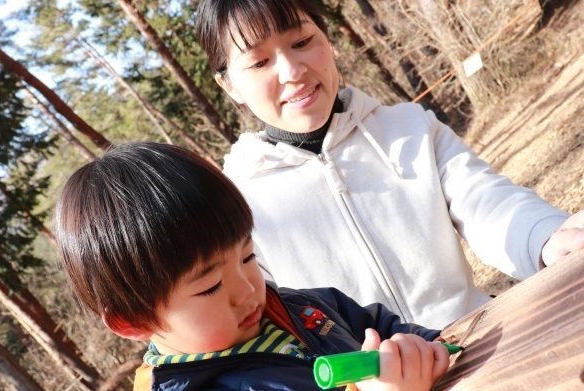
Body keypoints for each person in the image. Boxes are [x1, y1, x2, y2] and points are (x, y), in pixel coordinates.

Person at [194, 0, 584, 329]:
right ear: (229, 85)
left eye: (301, 41)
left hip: (483, 344)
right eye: (260, 62)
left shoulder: (411, 128)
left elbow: (487, 202)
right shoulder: (235, 207)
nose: (292, 72)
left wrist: (545, 239)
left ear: (327, 39)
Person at [53, 142, 451, 391]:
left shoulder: (304, 310)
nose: (247, 290)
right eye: (210, 287)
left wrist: (425, 348)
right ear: (134, 321)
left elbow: (381, 326)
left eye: (247, 257)